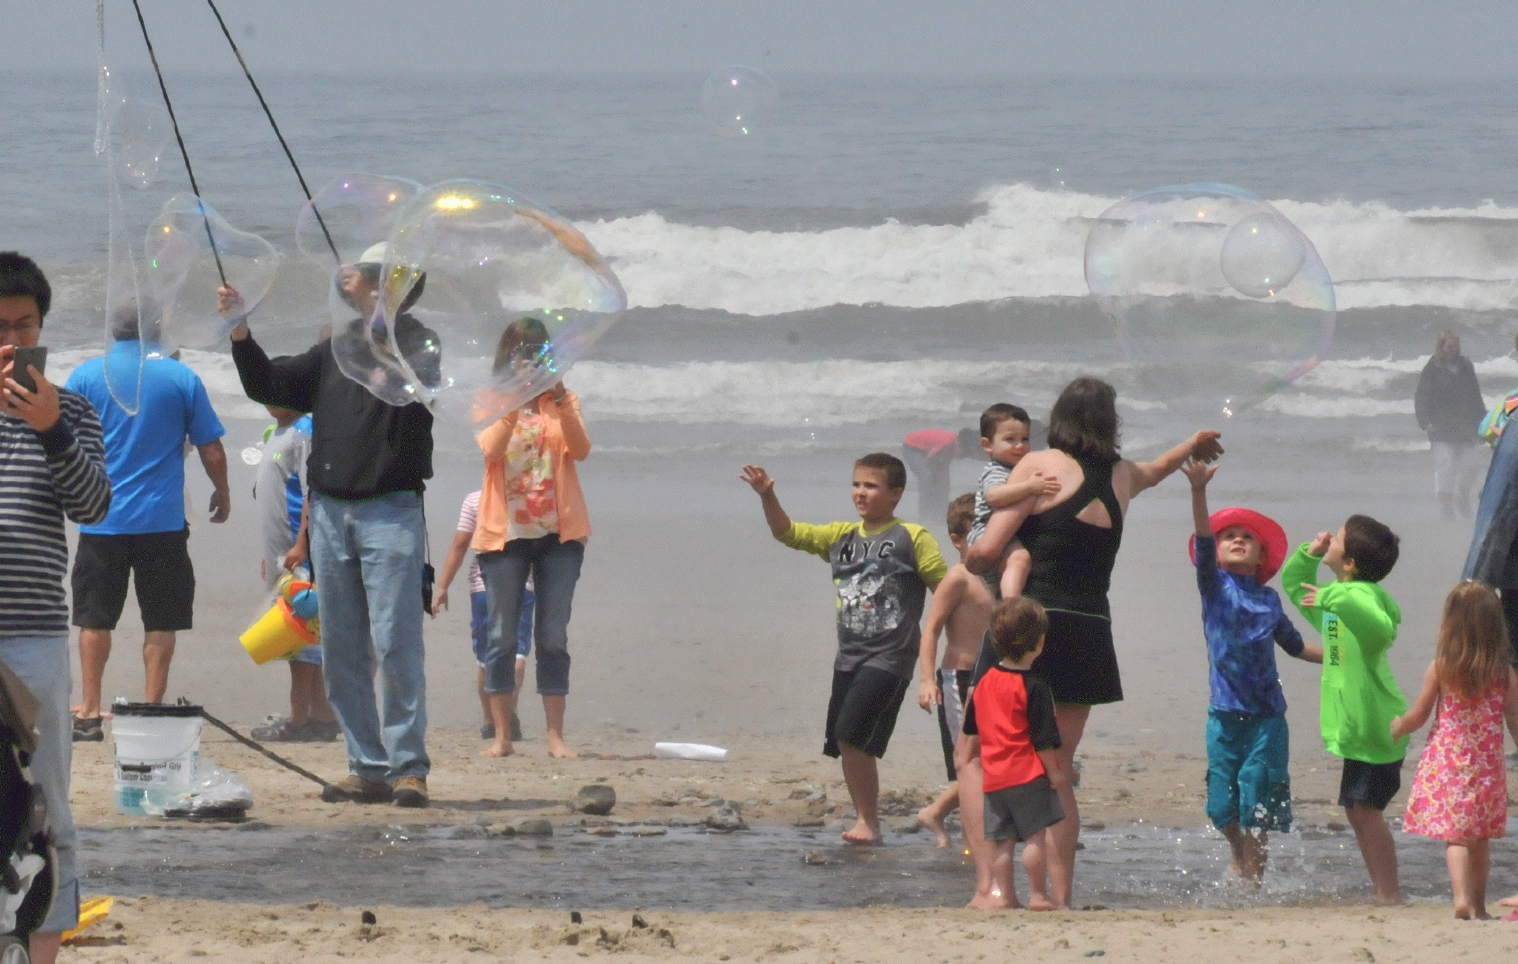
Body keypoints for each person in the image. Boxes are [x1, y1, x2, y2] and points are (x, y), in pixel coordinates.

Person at [960, 376, 1221, 907]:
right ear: (1110, 422)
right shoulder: (1121, 475)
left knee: (977, 754)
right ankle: (1059, 897)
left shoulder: (1040, 467)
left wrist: (970, 558)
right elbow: (1155, 469)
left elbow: (987, 551)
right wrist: (1191, 445)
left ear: (1057, 419)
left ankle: (992, 887)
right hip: (1089, 627)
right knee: (1056, 767)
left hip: (1026, 626)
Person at [219, 244, 436, 808]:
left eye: (373, 279)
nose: (357, 284)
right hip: (331, 514)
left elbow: (414, 382)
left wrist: (377, 307)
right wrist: (240, 330)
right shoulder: (331, 351)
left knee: (394, 643)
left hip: (391, 510)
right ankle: (367, 766)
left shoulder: (417, 343)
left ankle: (409, 767)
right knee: (339, 645)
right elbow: (269, 385)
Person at [0, 251, 113, 964]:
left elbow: (94, 505)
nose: (11, 342)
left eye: (24, 325)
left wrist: (50, 429)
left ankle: (40, 954)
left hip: (34, 633)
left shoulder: (70, 407)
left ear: (43, 326)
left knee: (44, 806)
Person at [742, 453, 946, 845]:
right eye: (856, 484)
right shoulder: (840, 537)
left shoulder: (912, 538)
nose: (860, 493)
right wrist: (767, 497)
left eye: (870, 486)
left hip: (892, 656)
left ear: (895, 494)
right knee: (847, 741)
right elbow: (788, 533)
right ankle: (868, 821)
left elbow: (948, 590)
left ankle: (869, 823)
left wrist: (940, 659)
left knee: (850, 735)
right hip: (849, 656)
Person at [64, 300, 228, 740]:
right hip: (162, 518)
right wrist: (223, 491)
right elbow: (210, 447)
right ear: (157, 331)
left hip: (101, 518)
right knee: (161, 619)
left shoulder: (85, 376)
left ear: (113, 331)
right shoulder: (180, 376)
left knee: (94, 619)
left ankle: (90, 711)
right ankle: (151, 708)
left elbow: (61, 441)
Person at [1182, 458, 1322, 884]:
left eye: (1247, 538)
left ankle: (1253, 880)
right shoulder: (1214, 585)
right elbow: (1203, 540)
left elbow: (1295, 647)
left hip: (1266, 718)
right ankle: (1238, 851)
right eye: (1230, 536)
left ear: (1263, 555)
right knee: (1221, 805)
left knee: (1256, 799)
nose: (1238, 540)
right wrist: (1198, 491)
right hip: (1223, 714)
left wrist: (1344, 658)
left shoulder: (1269, 600)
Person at [474, 317, 591, 760]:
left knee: (553, 635)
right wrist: (514, 402)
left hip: (560, 533)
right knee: (502, 633)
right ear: (508, 357)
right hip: (506, 535)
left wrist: (558, 398)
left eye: (538, 351)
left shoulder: (562, 400)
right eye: (521, 351)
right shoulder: (491, 399)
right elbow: (490, 450)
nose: (529, 359)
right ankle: (503, 736)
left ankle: (555, 737)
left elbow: (580, 450)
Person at [1284, 515, 1408, 905]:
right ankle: (1382, 891)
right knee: (1358, 813)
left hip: (1378, 726)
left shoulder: (1360, 599)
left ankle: (1390, 895)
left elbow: (1380, 626)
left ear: (1350, 564)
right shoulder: (1338, 601)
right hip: (1358, 730)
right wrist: (1309, 555)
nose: (1328, 537)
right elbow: (1293, 587)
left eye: (1335, 538)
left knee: (1367, 813)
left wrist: (1329, 596)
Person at [1391, 581, 1518, 921]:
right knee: (1480, 841)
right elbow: (1515, 719)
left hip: (1449, 767)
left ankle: (1461, 899)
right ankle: (1479, 906)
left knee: (1456, 840)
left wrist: (1399, 726)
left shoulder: (1442, 668)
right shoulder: (1504, 674)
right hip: (1488, 771)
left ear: (1450, 625)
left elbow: (1419, 715)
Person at [961, 597, 1069, 909]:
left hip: (994, 778)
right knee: (1035, 837)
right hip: (1027, 774)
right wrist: (1056, 774)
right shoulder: (1034, 686)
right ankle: (1037, 894)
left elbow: (973, 729)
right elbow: (1044, 740)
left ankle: (1005, 895)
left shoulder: (983, 683)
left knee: (1002, 843)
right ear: (1039, 642)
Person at [249, 406, 337, 743]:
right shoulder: (276, 433)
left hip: (298, 555)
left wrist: (301, 545)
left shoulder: (306, 431)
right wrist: (267, 554)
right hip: (280, 554)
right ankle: (320, 714)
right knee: (302, 635)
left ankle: (300, 718)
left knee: (301, 635)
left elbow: (312, 491)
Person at [916, 493, 995, 847]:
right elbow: (931, 628)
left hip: (993, 680)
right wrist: (926, 680)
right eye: (977, 533)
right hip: (958, 680)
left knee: (990, 757)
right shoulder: (958, 579)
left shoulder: (1000, 577)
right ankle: (965, 834)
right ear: (957, 541)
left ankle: (944, 815)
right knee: (969, 759)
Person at [433, 488, 533, 743]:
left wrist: (443, 585)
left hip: (484, 586)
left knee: (487, 657)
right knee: (516, 654)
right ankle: (507, 713)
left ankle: (491, 720)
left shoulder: (475, 499)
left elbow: (460, 543)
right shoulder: (532, 497)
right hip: (522, 584)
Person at [967, 403, 1060, 601]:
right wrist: (1030, 487)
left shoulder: (1014, 468)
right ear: (987, 444)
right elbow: (994, 496)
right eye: (1010, 439)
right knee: (1020, 559)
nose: (1020, 445)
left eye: (1025, 439)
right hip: (985, 530)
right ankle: (1012, 605)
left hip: (1003, 534)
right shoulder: (996, 470)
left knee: (992, 590)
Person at [1415, 330, 1487, 519]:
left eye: (1456, 346)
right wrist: (1425, 421)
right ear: (1441, 348)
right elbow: (1421, 396)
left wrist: (1484, 421)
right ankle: (1446, 507)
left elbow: (1475, 394)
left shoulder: (1466, 366)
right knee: (1446, 465)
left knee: (1471, 465)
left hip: (1466, 424)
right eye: (1449, 346)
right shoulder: (1432, 368)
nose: (1454, 350)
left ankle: (1463, 497)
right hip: (1441, 427)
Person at [901, 427, 977, 527]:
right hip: (911, 448)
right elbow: (928, 460)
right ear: (957, 445)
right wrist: (935, 475)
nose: (959, 457)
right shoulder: (947, 443)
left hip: (925, 450)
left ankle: (940, 515)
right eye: (960, 455)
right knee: (926, 477)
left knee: (941, 482)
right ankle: (923, 516)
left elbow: (944, 476)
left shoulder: (953, 446)